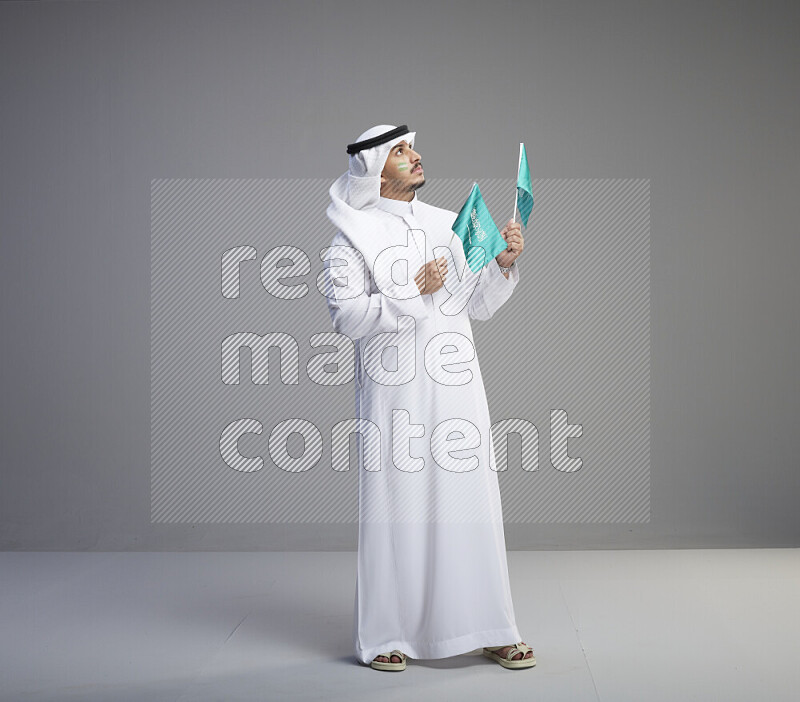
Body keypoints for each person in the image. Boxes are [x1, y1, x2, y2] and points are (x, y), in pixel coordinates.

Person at [321, 124, 535, 671]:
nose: (415, 157)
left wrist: (504, 263)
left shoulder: (447, 225)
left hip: (457, 384)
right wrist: (410, 290)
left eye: (412, 147)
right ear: (372, 167)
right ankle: (387, 635)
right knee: (398, 506)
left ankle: (492, 626)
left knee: (472, 502)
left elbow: (477, 304)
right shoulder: (352, 235)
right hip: (394, 389)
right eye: (399, 151)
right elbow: (346, 317)